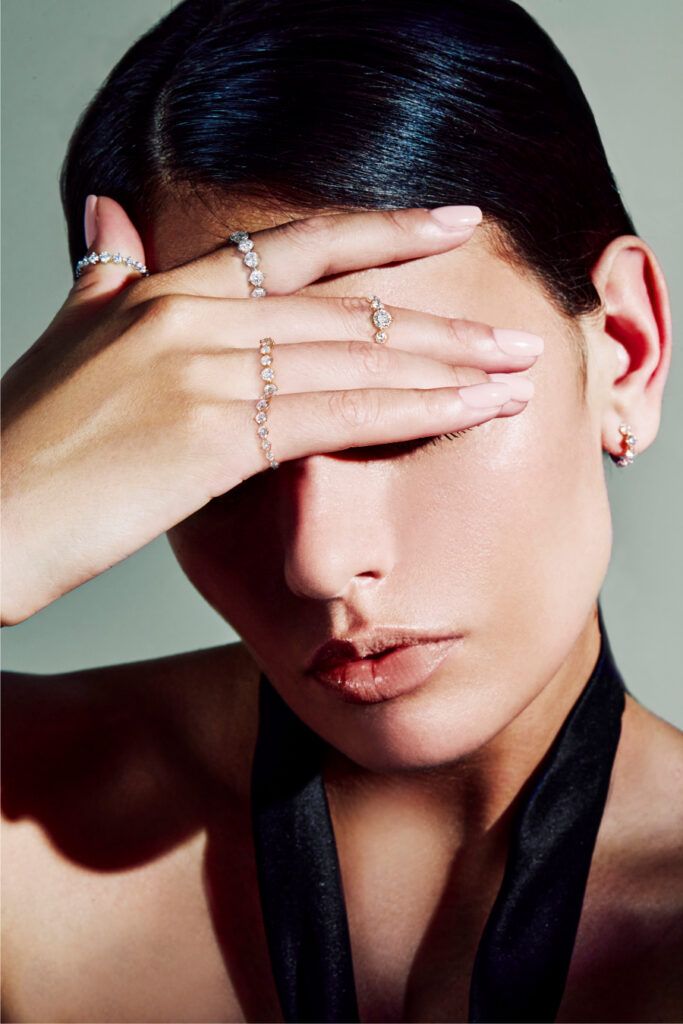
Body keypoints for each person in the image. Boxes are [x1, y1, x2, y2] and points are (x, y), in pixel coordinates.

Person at [1, 0, 681, 1021]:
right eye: (223, 457)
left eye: (407, 419)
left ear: (624, 350)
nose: (316, 562)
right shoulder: (23, 815)